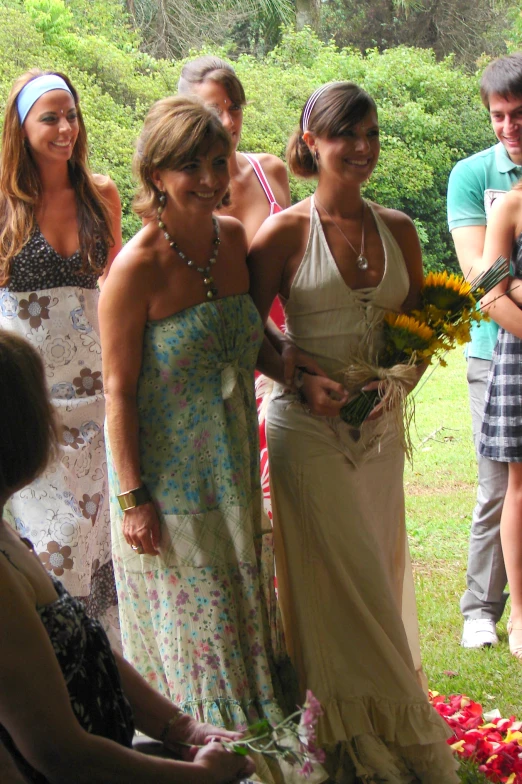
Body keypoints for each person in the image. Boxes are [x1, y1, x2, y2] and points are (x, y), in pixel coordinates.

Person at [248, 81, 459, 782]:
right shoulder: (282, 232)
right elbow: (249, 332)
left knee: (377, 567)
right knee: (345, 584)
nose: (363, 149)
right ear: (312, 142)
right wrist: (297, 377)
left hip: (378, 436)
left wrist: (399, 381)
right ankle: (363, 738)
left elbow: (423, 330)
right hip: (305, 430)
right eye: (348, 136)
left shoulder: (399, 228)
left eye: (372, 135)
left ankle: (368, 722)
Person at [99, 96, 296, 784]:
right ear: (155, 172)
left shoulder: (233, 239)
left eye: (217, 163)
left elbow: (252, 340)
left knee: (242, 609)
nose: (210, 179)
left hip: (234, 461)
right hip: (170, 480)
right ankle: (211, 759)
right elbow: (117, 393)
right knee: (199, 629)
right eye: (190, 167)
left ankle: (262, 741)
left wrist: (306, 372)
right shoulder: (134, 268)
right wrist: (133, 500)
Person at [0, 329, 256, 784]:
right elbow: (62, 755)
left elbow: (79, 645)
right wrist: (201, 780)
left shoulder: (6, 533)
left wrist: (181, 726)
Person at [0, 69, 122, 640]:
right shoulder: (3, 205)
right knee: (55, 548)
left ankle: (101, 683)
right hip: (31, 408)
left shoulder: (102, 196)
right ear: (21, 127)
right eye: (49, 117)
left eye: (70, 115)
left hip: (98, 407)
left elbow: (116, 290)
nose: (65, 128)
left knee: (103, 555)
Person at [178, 55, 292, 519]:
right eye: (213, 109)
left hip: (286, 345)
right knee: (247, 503)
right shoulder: (182, 190)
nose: (227, 122)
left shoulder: (272, 171)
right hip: (228, 355)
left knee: (290, 494)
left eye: (235, 108)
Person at [447, 53, 522, 649]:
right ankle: (480, 608)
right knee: (497, 483)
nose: (508, 127)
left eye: (518, 115)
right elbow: (480, 278)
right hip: (494, 349)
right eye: (498, 116)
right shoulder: (473, 175)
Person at [477, 181, 522, 661]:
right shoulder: (510, 204)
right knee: (520, 486)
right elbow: (489, 295)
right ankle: (520, 617)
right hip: (520, 355)